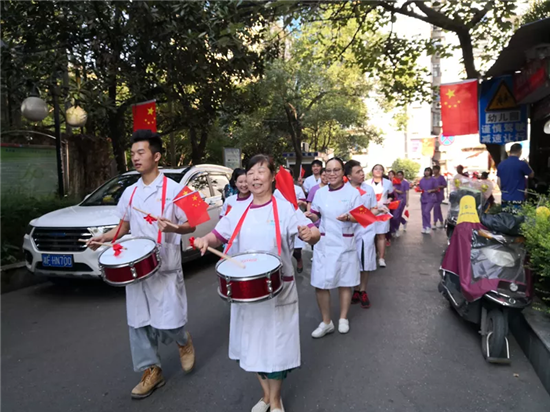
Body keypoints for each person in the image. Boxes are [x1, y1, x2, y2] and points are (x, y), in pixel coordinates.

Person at [192, 155, 320, 412]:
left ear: (272, 177)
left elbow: (312, 231)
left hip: (278, 289)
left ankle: (275, 400)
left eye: (261, 171)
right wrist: (205, 239)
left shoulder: (285, 208)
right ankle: (266, 395)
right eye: (250, 172)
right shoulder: (237, 209)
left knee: (276, 347)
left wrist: (311, 234)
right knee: (251, 346)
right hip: (246, 291)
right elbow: (218, 234)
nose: (254, 177)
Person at [88, 130, 197, 399]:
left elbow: (193, 223)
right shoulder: (129, 192)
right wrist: (105, 237)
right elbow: (123, 226)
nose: (136, 158)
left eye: (141, 152)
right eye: (133, 153)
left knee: (169, 320)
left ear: (156, 156)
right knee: (139, 322)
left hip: (165, 265)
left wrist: (175, 227)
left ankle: (183, 340)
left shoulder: (177, 190)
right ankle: (152, 371)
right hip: (136, 266)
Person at [306, 157, 362, 337]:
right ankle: (326, 322)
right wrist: (311, 216)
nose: (332, 174)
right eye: (328, 170)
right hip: (324, 244)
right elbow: (317, 215)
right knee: (320, 283)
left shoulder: (353, 193)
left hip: (344, 243)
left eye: (336, 170)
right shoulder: (320, 193)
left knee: (345, 282)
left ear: (343, 172)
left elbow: (362, 216)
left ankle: (343, 318)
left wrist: (349, 217)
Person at [345, 160, 380, 309]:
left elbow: (374, 208)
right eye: (358, 172)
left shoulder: (368, 189)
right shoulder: (344, 190)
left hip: (366, 230)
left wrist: (367, 215)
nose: (362, 174)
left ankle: (363, 290)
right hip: (349, 230)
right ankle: (355, 289)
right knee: (352, 261)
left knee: (366, 261)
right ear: (349, 176)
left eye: (361, 171)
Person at [365, 164, 394, 267]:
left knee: (381, 235)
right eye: (376, 169)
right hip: (370, 211)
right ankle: (372, 255)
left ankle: (381, 258)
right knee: (371, 234)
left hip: (383, 211)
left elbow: (391, 195)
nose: (378, 171)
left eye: (380, 169)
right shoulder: (366, 183)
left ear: (383, 172)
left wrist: (389, 200)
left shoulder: (388, 183)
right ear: (372, 171)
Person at [497, 143, 534, 213]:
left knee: (506, 217)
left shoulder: (501, 164)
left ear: (510, 151)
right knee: (517, 217)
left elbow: (499, 182)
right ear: (520, 151)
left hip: (505, 197)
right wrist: (527, 164)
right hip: (518, 197)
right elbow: (531, 175)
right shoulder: (522, 164)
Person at [418, 167, 439, 234]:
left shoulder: (433, 179)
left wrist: (431, 190)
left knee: (426, 211)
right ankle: (424, 226)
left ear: (430, 172)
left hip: (431, 198)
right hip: (423, 198)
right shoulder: (422, 180)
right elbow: (420, 188)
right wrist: (419, 189)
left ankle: (428, 226)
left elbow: (437, 188)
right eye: (425, 171)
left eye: (428, 171)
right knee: (423, 213)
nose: (426, 172)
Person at [390, 170, 410, 237]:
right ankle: (401, 224)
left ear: (403, 175)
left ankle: (397, 229)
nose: (399, 176)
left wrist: (407, 202)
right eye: (398, 175)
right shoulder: (395, 182)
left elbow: (405, 192)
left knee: (396, 215)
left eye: (400, 175)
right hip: (394, 200)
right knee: (394, 215)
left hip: (401, 200)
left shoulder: (405, 183)